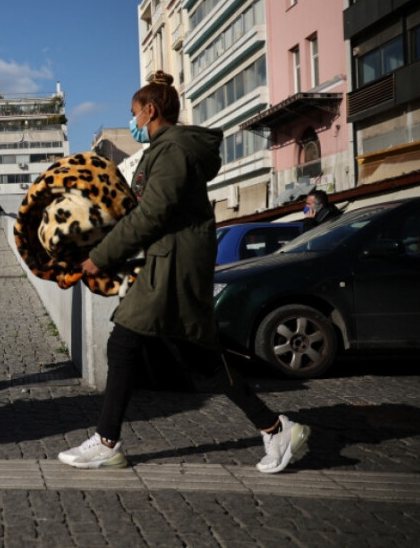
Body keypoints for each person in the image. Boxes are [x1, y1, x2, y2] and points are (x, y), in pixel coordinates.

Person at [66, 71, 310, 474]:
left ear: (150, 110)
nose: (133, 123)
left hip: (174, 264)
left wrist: (103, 255)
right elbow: (159, 213)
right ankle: (276, 428)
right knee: (201, 358)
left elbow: (154, 212)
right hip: (172, 259)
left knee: (124, 343)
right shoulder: (169, 148)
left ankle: (107, 441)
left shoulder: (173, 149)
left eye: (133, 114)